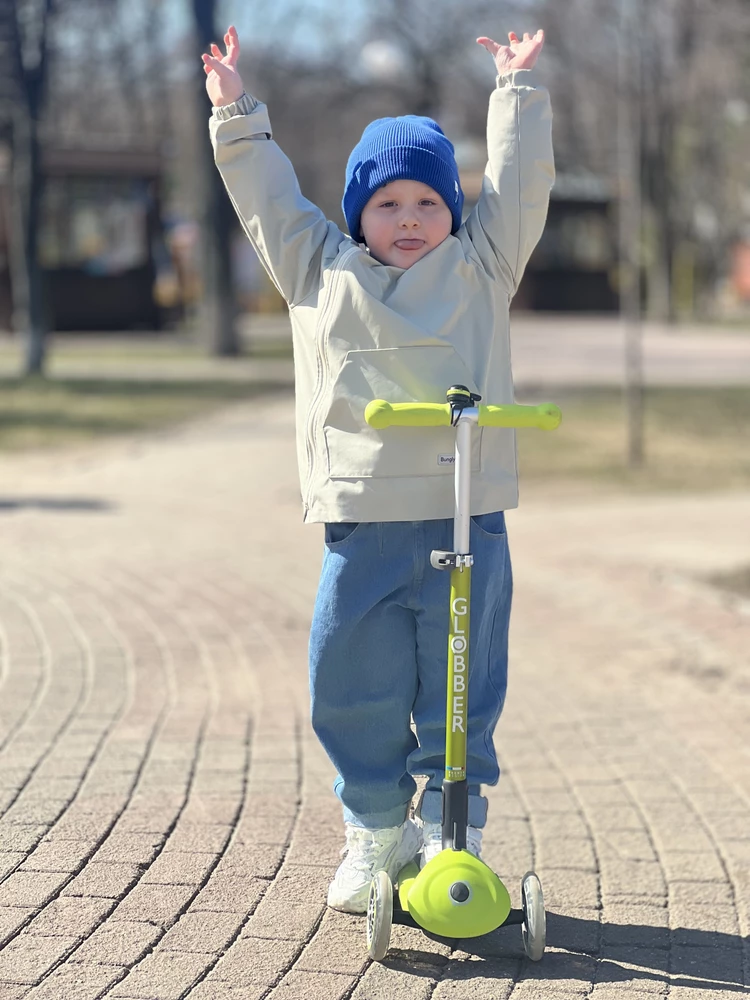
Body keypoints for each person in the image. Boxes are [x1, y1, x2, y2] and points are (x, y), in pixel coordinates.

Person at [202, 23, 553, 914]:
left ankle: (451, 825)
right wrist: (238, 114)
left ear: (454, 210)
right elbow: (269, 202)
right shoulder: (318, 270)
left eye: (428, 204)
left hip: (466, 512)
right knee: (350, 674)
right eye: (389, 204)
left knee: (463, 677)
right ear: (358, 211)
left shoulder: (482, 265)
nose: (409, 221)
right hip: (364, 520)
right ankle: (376, 827)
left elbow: (519, 191)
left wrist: (513, 94)